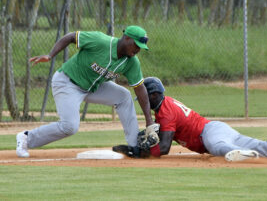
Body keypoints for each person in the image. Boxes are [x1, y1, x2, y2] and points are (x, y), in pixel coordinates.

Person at [114, 77, 267, 161]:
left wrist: (140, 153)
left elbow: (164, 148)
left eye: (145, 96)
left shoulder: (165, 111)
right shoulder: (165, 105)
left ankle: (232, 152)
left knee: (217, 147)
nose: (143, 100)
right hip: (217, 129)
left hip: (211, 133)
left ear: (153, 94)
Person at [16, 26, 159, 158]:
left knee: (124, 96)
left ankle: (134, 146)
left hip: (92, 88)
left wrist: (149, 122)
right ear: (127, 38)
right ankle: (26, 137)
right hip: (67, 83)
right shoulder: (100, 41)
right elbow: (71, 37)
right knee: (70, 126)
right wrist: (50, 55)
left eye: (141, 47)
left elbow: (140, 89)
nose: (138, 50)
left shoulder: (132, 62)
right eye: (136, 45)